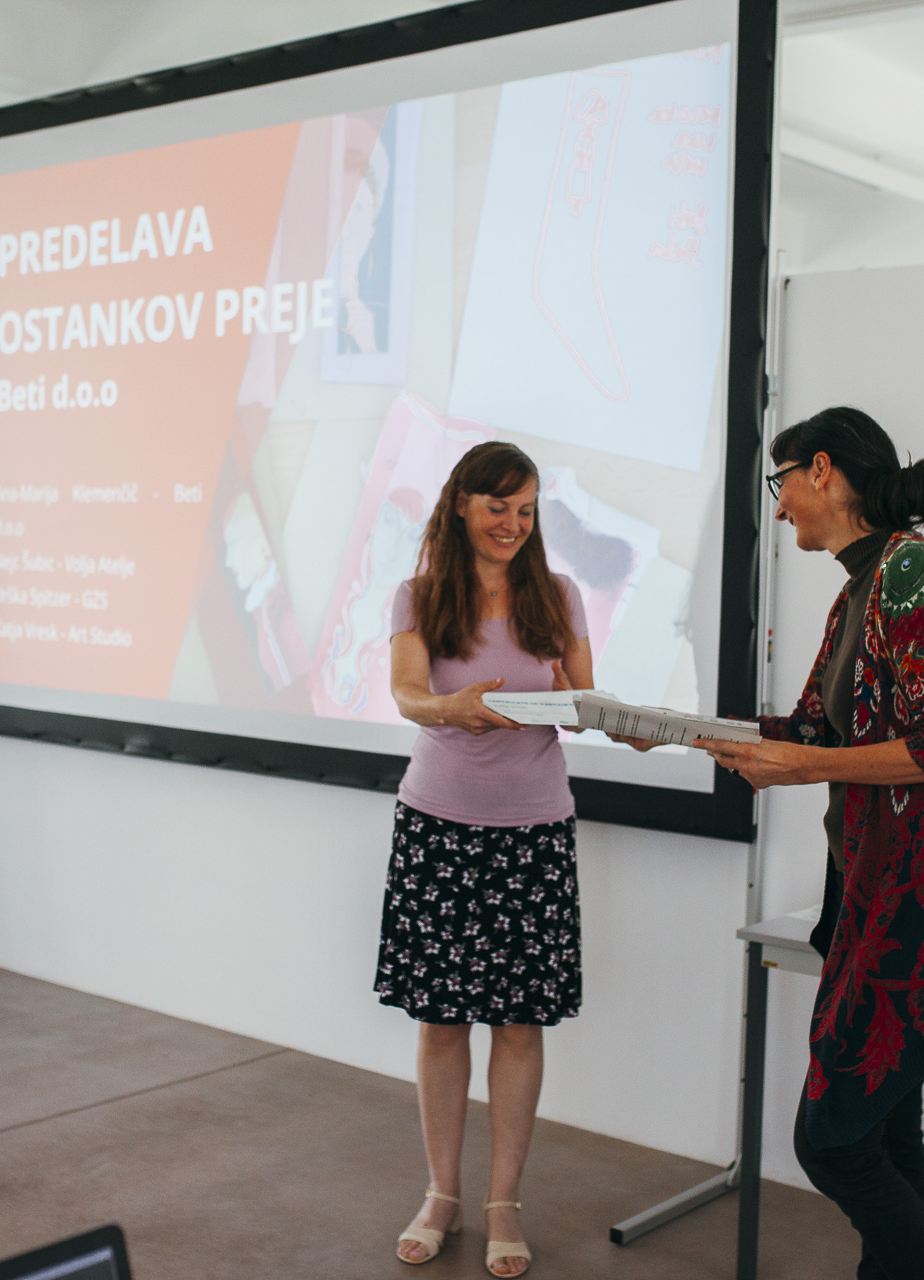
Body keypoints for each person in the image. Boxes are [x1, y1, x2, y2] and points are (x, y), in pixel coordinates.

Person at [688, 406, 924, 1279]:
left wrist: (792, 764)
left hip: (921, 900)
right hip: (872, 891)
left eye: (781, 482)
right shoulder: (861, 585)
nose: (781, 503)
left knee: (829, 1142)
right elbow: (805, 728)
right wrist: (681, 731)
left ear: (821, 470)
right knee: (880, 1130)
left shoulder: (921, 575)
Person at [378, 441, 593, 1277]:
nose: (512, 523)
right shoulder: (421, 594)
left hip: (534, 832)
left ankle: (503, 1201)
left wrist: (629, 725)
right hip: (438, 826)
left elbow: (579, 701)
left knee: (519, 1018)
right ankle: (442, 1193)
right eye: (498, 505)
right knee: (441, 1019)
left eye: (527, 509)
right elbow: (405, 695)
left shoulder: (558, 593)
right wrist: (451, 709)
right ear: (461, 504)